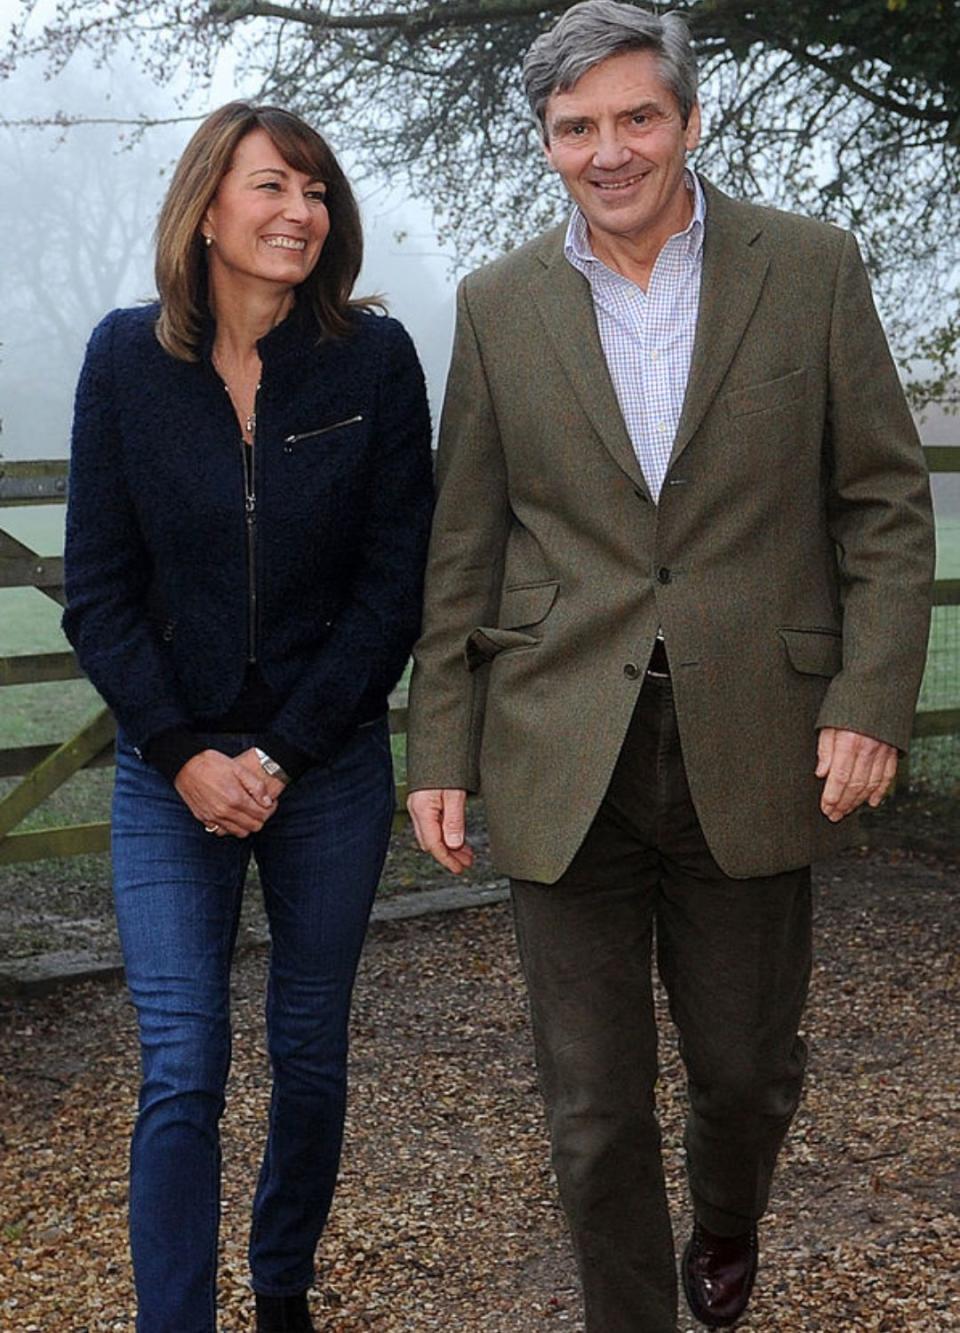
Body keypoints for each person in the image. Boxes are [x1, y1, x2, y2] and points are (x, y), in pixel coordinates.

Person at [405, 3, 935, 1329]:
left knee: (745, 1074)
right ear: (547, 145)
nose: (610, 150)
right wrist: (439, 750)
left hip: (758, 740)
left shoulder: (808, 267)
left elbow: (883, 501)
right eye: (575, 127)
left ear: (690, 122)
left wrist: (869, 700)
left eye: (637, 117)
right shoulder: (495, 305)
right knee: (589, 1110)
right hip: (558, 747)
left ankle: (728, 1213)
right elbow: (462, 548)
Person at [63, 101, 433, 1333]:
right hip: (167, 777)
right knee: (182, 1067)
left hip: (321, 770)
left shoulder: (373, 364)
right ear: (205, 210)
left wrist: (276, 751)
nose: (299, 213)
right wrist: (182, 755)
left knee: (309, 1054)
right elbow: (101, 593)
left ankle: (282, 1289)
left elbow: (395, 588)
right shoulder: (125, 360)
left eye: (317, 191)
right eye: (271, 186)